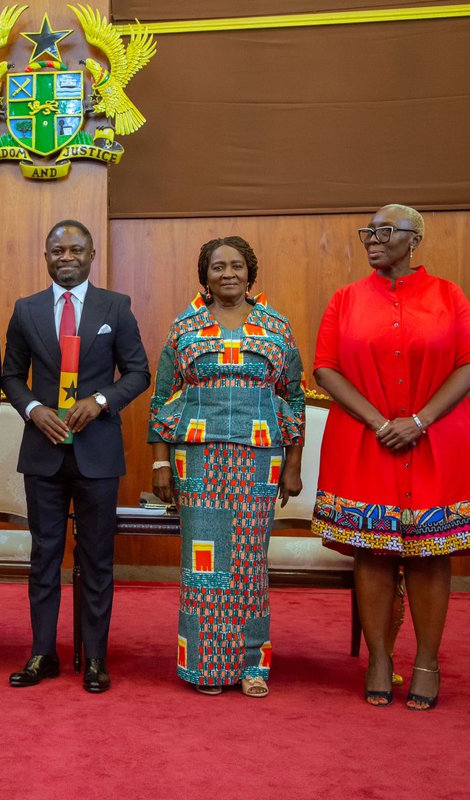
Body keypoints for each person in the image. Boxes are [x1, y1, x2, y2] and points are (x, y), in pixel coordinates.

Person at [312, 204, 470, 710]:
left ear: (414, 239)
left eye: (384, 231)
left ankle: (428, 663)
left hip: (437, 440)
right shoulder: (345, 299)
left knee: (432, 553)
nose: (372, 239)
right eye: (367, 231)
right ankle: (379, 659)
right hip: (365, 442)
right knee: (371, 550)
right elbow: (325, 368)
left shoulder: (448, 295)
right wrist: (379, 422)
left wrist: (418, 421)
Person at [148, 236, 305, 698]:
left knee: (249, 564)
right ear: (205, 276)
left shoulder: (276, 326)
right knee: (205, 566)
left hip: (258, 459)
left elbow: (293, 398)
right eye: (218, 267)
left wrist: (292, 466)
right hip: (198, 459)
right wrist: (160, 462)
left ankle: (253, 665)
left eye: (237, 266)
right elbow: (162, 399)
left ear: (250, 273)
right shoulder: (185, 326)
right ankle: (205, 667)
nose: (228, 274)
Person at [0, 220, 150, 694]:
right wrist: (32, 408)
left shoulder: (116, 307)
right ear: (46, 256)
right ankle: (43, 653)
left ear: (90, 256)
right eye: (57, 250)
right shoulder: (26, 310)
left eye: (76, 250)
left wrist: (101, 401)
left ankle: (95, 658)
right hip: (43, 451)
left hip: (97, 453)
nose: (66, 257)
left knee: (97, 558)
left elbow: (139, 372)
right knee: (43, 556)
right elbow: (10, 376)